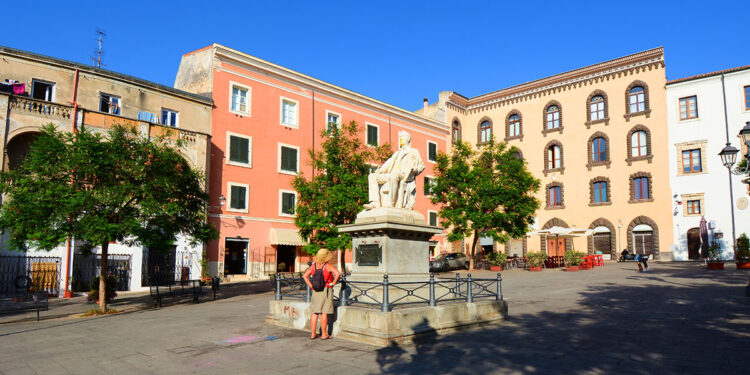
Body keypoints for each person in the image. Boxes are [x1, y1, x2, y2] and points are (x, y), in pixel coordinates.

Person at [364, 131, 425, 210]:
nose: (401, 139)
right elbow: (387, 163)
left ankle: (391, 204)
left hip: (404, 175)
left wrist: (415, 169)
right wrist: (378, 172)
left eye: (403, 137)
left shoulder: (413, 151)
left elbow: (421, 165)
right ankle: (375, 202)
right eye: (400, 137)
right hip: (393, 174)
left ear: (408, 139)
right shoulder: (397, 153)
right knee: (372, 176)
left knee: (394, 175)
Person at [302, 248, 341, 340]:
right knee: (324, 313)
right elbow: (338, 273)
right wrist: (333, 283)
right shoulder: (328, 266)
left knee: (315, 313)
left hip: (316, 291)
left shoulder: (313, 266)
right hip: (326, 290)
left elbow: (305, 276)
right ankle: (324, 334)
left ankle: (313, 334)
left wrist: (311, 286)